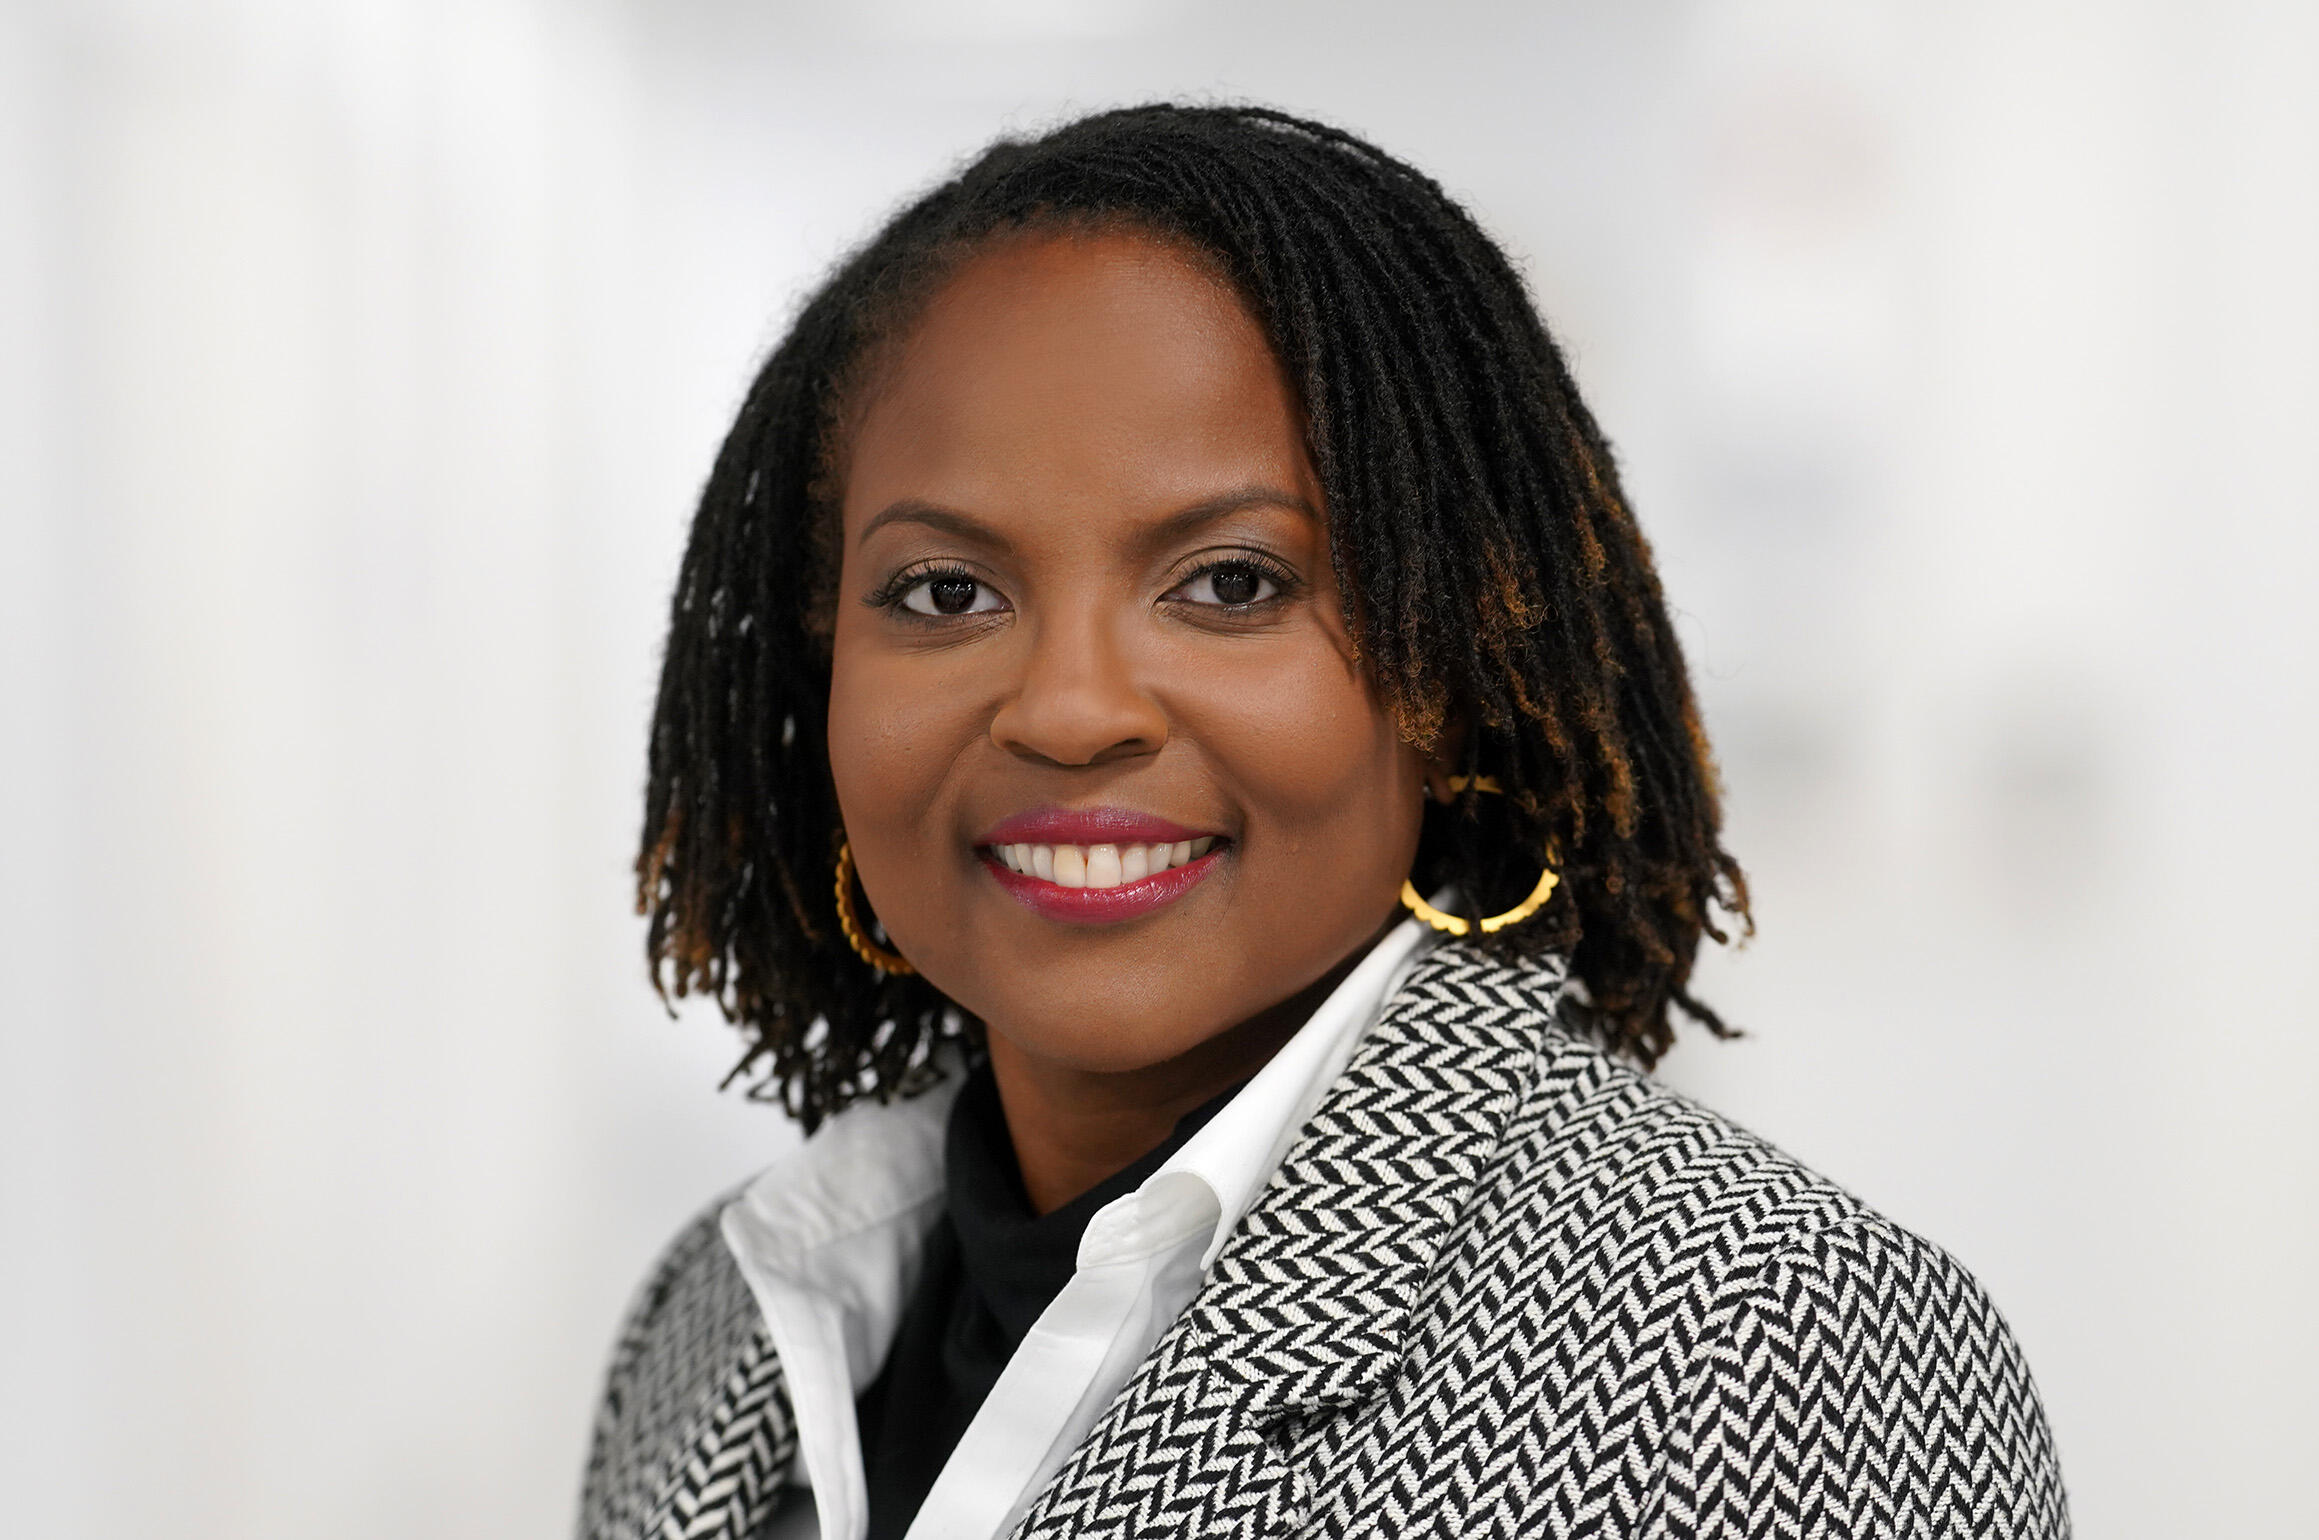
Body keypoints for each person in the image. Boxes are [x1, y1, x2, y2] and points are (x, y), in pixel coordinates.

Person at [579, 104, 2067, 1540]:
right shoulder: (723, 1322)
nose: (1071, 707)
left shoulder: (1762, 1347)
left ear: (1457, 668)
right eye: (945, 593)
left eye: (1233, 583)